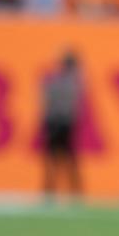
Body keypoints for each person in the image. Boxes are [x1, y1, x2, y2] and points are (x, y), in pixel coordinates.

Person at [41, 50, 83, 200]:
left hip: (57, 122)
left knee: (57, 159)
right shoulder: (72, 81)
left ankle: (52, 190)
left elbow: (47, 97)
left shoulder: (57, 81)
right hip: (63, 122)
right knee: (63, 159)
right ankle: (69, 191)